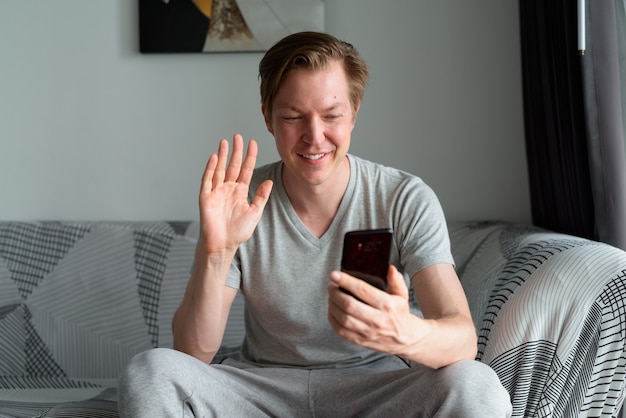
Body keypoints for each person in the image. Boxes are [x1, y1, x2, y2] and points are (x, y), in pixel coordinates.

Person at [118, 31, 512, 417]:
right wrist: (215, 253)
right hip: (259, 389)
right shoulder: (239, 200)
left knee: (476, 384)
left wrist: (407, 333)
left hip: (375, 389)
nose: (314, 136)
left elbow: (462, 340)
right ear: (269, 118)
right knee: (150, 371)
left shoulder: (404, 197)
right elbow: (192, 352)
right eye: (293, 117)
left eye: (331, 116)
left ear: (354, 113)